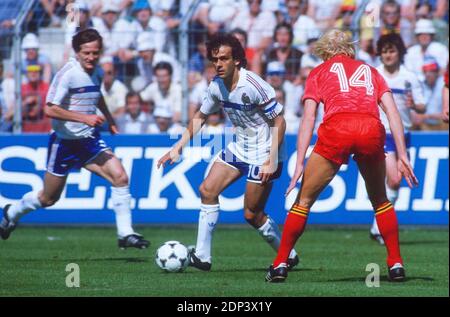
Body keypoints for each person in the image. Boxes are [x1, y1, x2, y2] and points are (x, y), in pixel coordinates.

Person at [265, 29, 418, 283]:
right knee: (380, 200)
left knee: (303, 201)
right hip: (371, 129)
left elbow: (309, 118)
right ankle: (396, 264)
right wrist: (402, 154)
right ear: (351, 49)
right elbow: (392, 112)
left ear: (324, 51)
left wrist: (300, 162)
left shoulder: (319, 72)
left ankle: (280, 264)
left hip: (337, 129)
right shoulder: (371, 71)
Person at [158, 33, 299, 271]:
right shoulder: (216, 86)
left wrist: (270, 159)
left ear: (237, 60)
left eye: (224, 58)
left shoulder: (253, 85)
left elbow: (280, 122)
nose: (218, 64)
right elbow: (200, 117)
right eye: (215, 59)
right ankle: (202, 257)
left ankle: (288, 254)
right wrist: (177, 147)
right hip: (240, 148)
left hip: (265, 152)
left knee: (252, 215)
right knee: (207, 190)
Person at [0, 29, 149, 249]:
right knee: (48, 199)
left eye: (95, 53)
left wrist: (109, 119)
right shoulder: (68, 73)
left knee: (120, 177)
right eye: (86, 53)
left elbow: (97, 96)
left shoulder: (97, 72)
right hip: (64, 143)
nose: (91, 57)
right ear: (77, 52)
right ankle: (12, 212)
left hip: (88, 140)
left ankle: (125, 234)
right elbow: (50, 109)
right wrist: (84, 118)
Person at [369, 33, 425, 245]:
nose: (388, 55)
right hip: (382, 133)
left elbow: (422, 106)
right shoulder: (375, 76)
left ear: (399, 52)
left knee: (396, 181)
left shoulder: (409, 77)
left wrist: (413, 104)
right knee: (392, 178)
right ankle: (382, 228)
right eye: (384, 51)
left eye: (391, 51)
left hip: (404, 134)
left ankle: (377, 227)